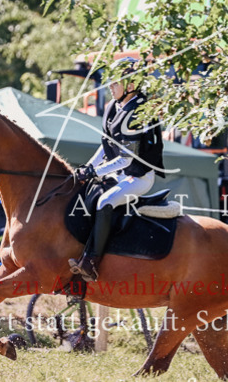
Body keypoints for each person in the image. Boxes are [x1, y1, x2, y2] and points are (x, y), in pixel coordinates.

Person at [68, 57, 165, 282]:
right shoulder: (114, 106)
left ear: (131, 85)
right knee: (87, 192)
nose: (110, 87)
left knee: (105, 202)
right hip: (119, 172)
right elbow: (106, 146)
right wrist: (89, 167)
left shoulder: (137, 112)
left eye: (115, 83)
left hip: (138, 176)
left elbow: (125, 160)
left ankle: (91, 262)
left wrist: (95, 172)